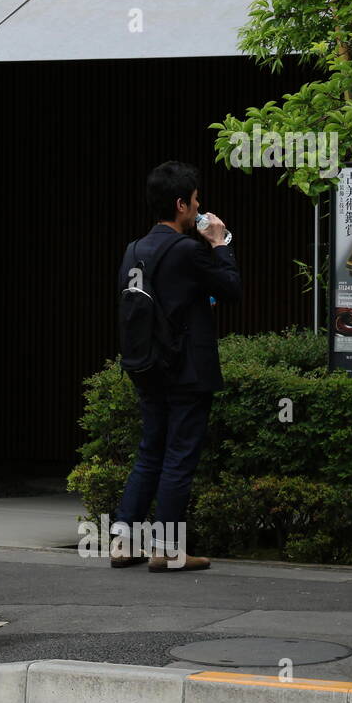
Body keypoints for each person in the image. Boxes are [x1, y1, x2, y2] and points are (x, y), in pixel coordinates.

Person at [113, 161, 241, 572]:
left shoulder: (134, 249)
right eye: (197, 199)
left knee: (151, 449)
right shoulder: (187, 250)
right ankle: (167, 550)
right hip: (186, 370)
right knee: (179, 456)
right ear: (182, 204)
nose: (200, 205)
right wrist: (220, 244)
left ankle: (121, 542)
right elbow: (231, 288)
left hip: (146, 366)